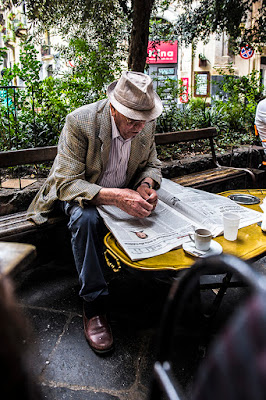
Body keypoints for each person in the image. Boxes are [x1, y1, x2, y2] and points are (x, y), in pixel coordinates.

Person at [27, 71, 163, 354]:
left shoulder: (145, 126)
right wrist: (115, 197)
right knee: (85, 218)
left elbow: (152, 163)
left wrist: (146, 184)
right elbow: (65, 183)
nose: (139, 127)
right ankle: (94, 305)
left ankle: (156, 277)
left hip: (123, 189)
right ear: (114, 109)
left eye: (144, 121)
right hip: (80, 192)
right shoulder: (80, 121)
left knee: (161, 205)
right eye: (132, 121)